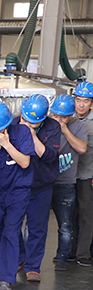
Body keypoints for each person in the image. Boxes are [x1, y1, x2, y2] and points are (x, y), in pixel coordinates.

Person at [0, 101, 34, 290]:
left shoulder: (22, 133)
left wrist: (6, 144)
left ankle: (5, 279)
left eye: (1, 129)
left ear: (8, 125)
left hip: (17, 192)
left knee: (10, 233)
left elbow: (25, 162)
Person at [17, 94, 61, 281]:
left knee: (37, 227)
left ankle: (33, 267)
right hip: (17, 184)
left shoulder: (53, 127)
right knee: (12, 225)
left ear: (43, 119)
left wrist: (32, 136)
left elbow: (49, 156)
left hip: (42, 184)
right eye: (25, 119)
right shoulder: (13, 124)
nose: (28, 123)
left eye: (33, 123)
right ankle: (19, 258)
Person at [49, 94, 87, 271]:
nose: (58, 120)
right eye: (55, 115)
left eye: (63, 117)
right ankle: (29, 261)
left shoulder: (79, 126)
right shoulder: (46, 123)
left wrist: (64, 130)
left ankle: (62, 257)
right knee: (34, 223)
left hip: (66, 182)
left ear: (71, 115)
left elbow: (82, 148)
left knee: (65, 225)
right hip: (45, 182)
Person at [73, 82, 93, 267]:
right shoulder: (66, 118)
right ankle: (69, 251)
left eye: (86, 101)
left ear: (91, 103)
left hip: (87, 175)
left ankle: (83, 254)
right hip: (67, 175)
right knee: (69, 214)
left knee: (87, 215)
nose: (81, 105)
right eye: (78, 100)